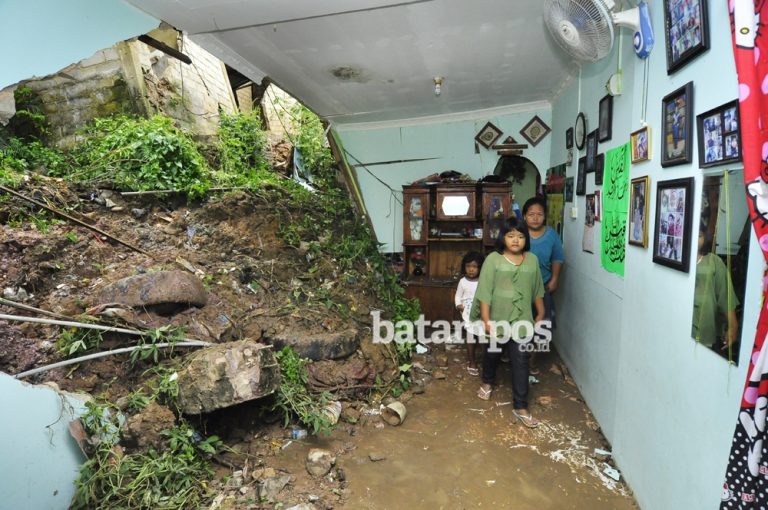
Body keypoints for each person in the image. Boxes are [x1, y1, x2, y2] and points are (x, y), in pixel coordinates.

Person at [470, 216, 545, 428]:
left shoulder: (532, 260)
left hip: (522, 321)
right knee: (492, 354)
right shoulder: (493, 259)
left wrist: (540, 312)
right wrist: (486, 321)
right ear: (503, 237)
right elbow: (485, 291)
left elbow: (536, 288)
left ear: (526, 239)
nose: (515, 240)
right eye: (511, 236)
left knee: (520, 361)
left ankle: (521, 406)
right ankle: (487, 381)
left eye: (520, 236)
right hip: (498, 319)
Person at [523, 197, 564, 375]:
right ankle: (514, 354)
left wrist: (555, 278)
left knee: (541, 324)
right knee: (519, 322)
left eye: (539, 214)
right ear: (524, 216)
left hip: (543, 287)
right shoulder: (518, 233)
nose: (535, 218)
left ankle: (532, 361)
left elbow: (558, 258)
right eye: (531, 214)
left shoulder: (552, 235)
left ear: (544, 216)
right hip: (520, 287)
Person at [692, 229, 739, 350]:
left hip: (704, 326)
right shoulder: (674, 259)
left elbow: (725, 295)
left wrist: (733, 326)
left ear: (704, 238)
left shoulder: (714, 261)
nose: (695, 239)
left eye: (699, 236)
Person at [455, 251, 485, 376]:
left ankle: (486, 361)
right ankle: (472, 362)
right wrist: (458, 305)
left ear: (480, 267)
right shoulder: (462, 281)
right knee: (471, 337)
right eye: (468, 266)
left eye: (474, 267)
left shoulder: (484, 281)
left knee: (484, 339)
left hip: (482, 313)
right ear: (464, 267)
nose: (471, 270)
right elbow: (458, 296)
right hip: (468, 314)